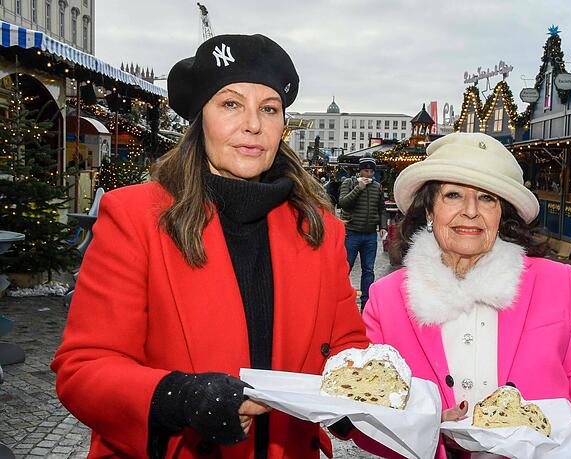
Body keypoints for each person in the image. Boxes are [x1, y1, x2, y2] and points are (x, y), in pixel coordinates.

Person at [51, 34, 369, 459]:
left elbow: (346, 343)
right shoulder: (134, 217)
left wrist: (356, 397)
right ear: (200, 120)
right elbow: (85, 368)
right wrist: (178, 397)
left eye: (269, 109)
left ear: (282, 127)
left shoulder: (320, 229)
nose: (253, 124)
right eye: (231, 104)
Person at [357, 132, 571, 458]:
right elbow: (369, 406)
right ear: (429, 211)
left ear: (502, 215)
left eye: (487, 198)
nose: (470, 211)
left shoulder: (555, 283)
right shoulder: (387, 300)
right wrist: (423, 428)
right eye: (453, 195)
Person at [338, 156, 387, 308]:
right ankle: (340, 300)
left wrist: (383, 226)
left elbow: (382, 209)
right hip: (352, 233)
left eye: (372, 171)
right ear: (360, 171)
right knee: (345, 268)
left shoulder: (376, 187)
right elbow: (344, 203)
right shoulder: (349, 183)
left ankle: (366, 305)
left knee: (368, 270)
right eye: (366, 170)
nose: (369, 174)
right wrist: (358, 188)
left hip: (370, 235)